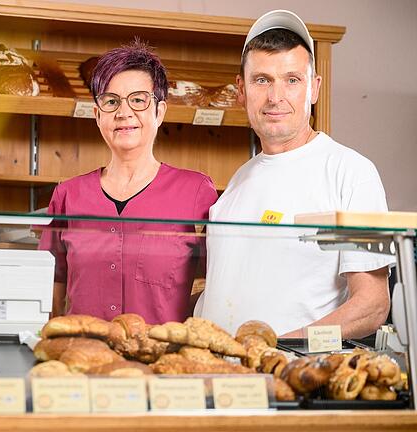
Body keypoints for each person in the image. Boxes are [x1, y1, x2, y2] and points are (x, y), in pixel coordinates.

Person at [194, 10, 394, 338]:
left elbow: (371, 305)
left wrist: (280, 350)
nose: (276, 97)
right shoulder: (238, 180)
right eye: (262, 80)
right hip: (223, 377)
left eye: (291, 80)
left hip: (292, 380)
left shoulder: (351, 173)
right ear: (241, 90)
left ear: (313, 89)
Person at [38, 40, 218, 324]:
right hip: (84, 358)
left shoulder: (195, 192)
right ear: (98, 116)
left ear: (159, 112)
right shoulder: (68, 195)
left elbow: (220, 284)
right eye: (111, 102)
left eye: (138, 100)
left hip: (160, 362)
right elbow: (50, 287)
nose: (123, 113)